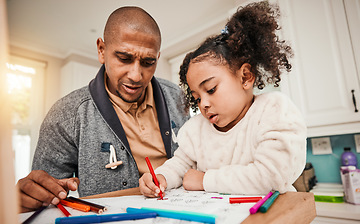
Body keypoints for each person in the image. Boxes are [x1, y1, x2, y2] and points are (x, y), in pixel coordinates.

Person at [17, 6, 189, 212]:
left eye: (148, 62)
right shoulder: (65, 114)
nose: (136, 75)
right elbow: (42, 198)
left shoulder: (178, 97)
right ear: (101, 50)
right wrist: (31, 197)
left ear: (158, 58)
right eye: (124, 58)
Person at [139, 1, 307, 198]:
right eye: (196, 98)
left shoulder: (275, 110)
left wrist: (204, 180)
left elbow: (272, 177)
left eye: (211, 89)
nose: (203, 104)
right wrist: (161, 176)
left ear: (245, 77)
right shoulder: (196, 129)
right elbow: (181, 165)